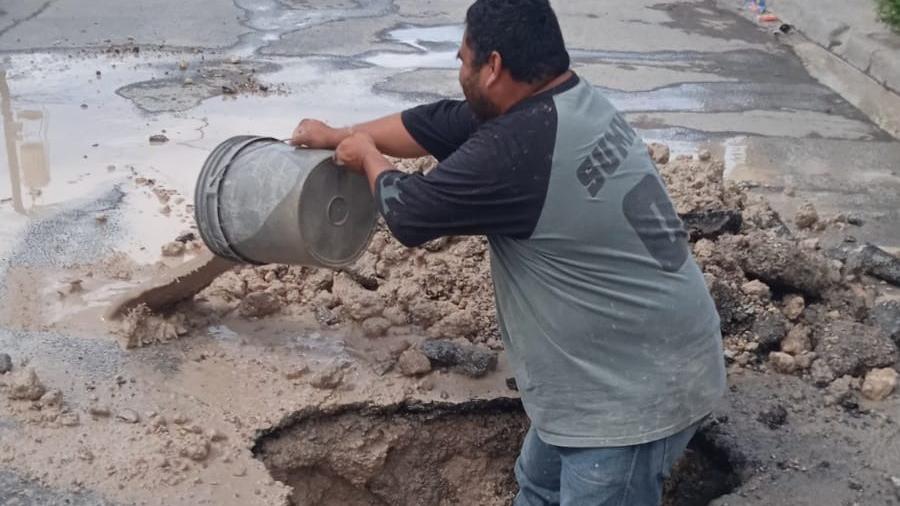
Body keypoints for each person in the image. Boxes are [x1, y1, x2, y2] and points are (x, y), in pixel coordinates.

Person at [290, 0, 726, 504]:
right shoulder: (563, 105)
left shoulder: (519, 150)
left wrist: (367, 156)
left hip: (630, 398)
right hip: (614, 365)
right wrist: (344, 135)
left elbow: (410, 214)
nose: (459, 69)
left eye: (462, 59)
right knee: (539, 485)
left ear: (493, 67)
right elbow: (436, 123)